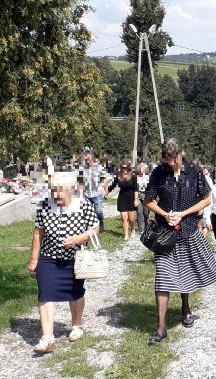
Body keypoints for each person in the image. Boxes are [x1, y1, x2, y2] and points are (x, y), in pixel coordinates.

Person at [144, 139, 216, 341]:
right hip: (164, 234)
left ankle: (185, 307)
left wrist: (183, 213)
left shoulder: (194, 171)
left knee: (185, 273)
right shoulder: (159, 173)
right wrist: (165, 213)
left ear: (181, 154)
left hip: (187, 230)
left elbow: (206, 199)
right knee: (162, 277)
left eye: (174, 160)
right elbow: (148, 200)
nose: (171, 164)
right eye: (167, 160)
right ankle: (161, 327)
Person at [27, 170, 99, 354]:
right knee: (45, 293)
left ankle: (77, 326)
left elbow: (95, 228)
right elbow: (38, 232)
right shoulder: (44, 205)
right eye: (53, 191)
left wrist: (77, 240)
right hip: (48, 257)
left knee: (75, 292)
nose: (56, 195)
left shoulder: (83, 204)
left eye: (60, 191)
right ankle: (47, 338)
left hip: (74, 259)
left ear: (71, 190)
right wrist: (34, 259)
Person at [77, 148, 109, 232]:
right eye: (86, 159)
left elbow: (104, 180)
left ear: (92, 158)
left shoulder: (99, 167)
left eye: (88, 159)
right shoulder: (82, 169)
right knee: (87, 211)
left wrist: (106, 192)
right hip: (86, 193)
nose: (87, 161)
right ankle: (89, 226)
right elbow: (79, 181)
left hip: (97, 193)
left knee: (98, 211)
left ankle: (101, 223)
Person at [114, 162, 138, 240]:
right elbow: (112, 186)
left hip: (131, 199)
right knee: (124, 218)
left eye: (126, 168)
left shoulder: (133, 177)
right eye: (123, 168)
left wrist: (136, 199)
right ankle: (126, 235)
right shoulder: (118, 177)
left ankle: (133, 230)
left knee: (131, 218)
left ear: (129, 168)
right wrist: (107, 193)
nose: (124, 170)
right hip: (122, 199)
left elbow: (136, 189)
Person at [136, 163, 151, 235]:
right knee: (139, 212)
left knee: (146, 213)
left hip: (146, 196)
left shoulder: (149, 177)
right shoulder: (135, 177)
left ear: (145, 169)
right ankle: (140, 229)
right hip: (138, 196)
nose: (141, 168)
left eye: (142, 167)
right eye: (140, 167)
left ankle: (147, 227)